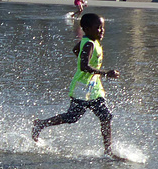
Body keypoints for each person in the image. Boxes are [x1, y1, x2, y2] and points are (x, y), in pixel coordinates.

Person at [32, 13, 121, 158]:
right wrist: (106, 73)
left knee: (106, 116)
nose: (102, 31)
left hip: (93, 87)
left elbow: (75, 50)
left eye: (102, 28)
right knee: (72, 117)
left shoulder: (90, 40)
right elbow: (84, 66)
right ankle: (40, 124)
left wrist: (91, 67)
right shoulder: (89, 43)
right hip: (81, 87)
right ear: (86, 28)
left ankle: (108, 151)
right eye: (98, 28)